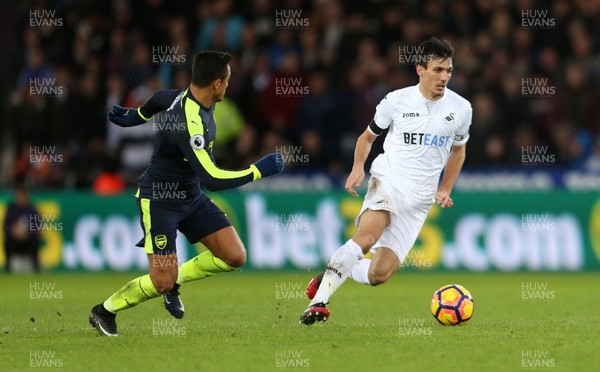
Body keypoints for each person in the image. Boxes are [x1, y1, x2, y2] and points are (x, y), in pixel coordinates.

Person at [89, 50, 284, 336]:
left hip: (190, 196)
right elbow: (213, 178)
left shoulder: (191, 96)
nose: (229, 85)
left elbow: (159, 98)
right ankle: (104, 310)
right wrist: (259, 170)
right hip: (159, 201)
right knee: (161, 281)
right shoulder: (189, 122)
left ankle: (175, 279)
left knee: (235, 255)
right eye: (227, 80)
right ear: (216, 83)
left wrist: (137, 116)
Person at [300, 38, 472, 325]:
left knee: (379, 274)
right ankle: (320, 302)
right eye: (438, 69)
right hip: (389, 181)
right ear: (420, 69)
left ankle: (332, 272)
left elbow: (459, 150)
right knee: (367, 238)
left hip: (419, 201)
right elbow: (367, 138)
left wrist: (445, 188)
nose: (444, 77)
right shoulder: (396, 100)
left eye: (449, 71)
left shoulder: (462, 108)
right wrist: (357, 167)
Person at [3, 183, 41, 273]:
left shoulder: (32, 210)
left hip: (28, 241)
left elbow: (37, 226)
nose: (21, 198)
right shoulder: (11, 209)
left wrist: (27, 233)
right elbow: (6, 225)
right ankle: (8, 269)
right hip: (14, 241)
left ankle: (36, 268)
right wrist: (13, 230)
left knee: (35, 240)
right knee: (6, 242)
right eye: (19, 195)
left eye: (23, 195)